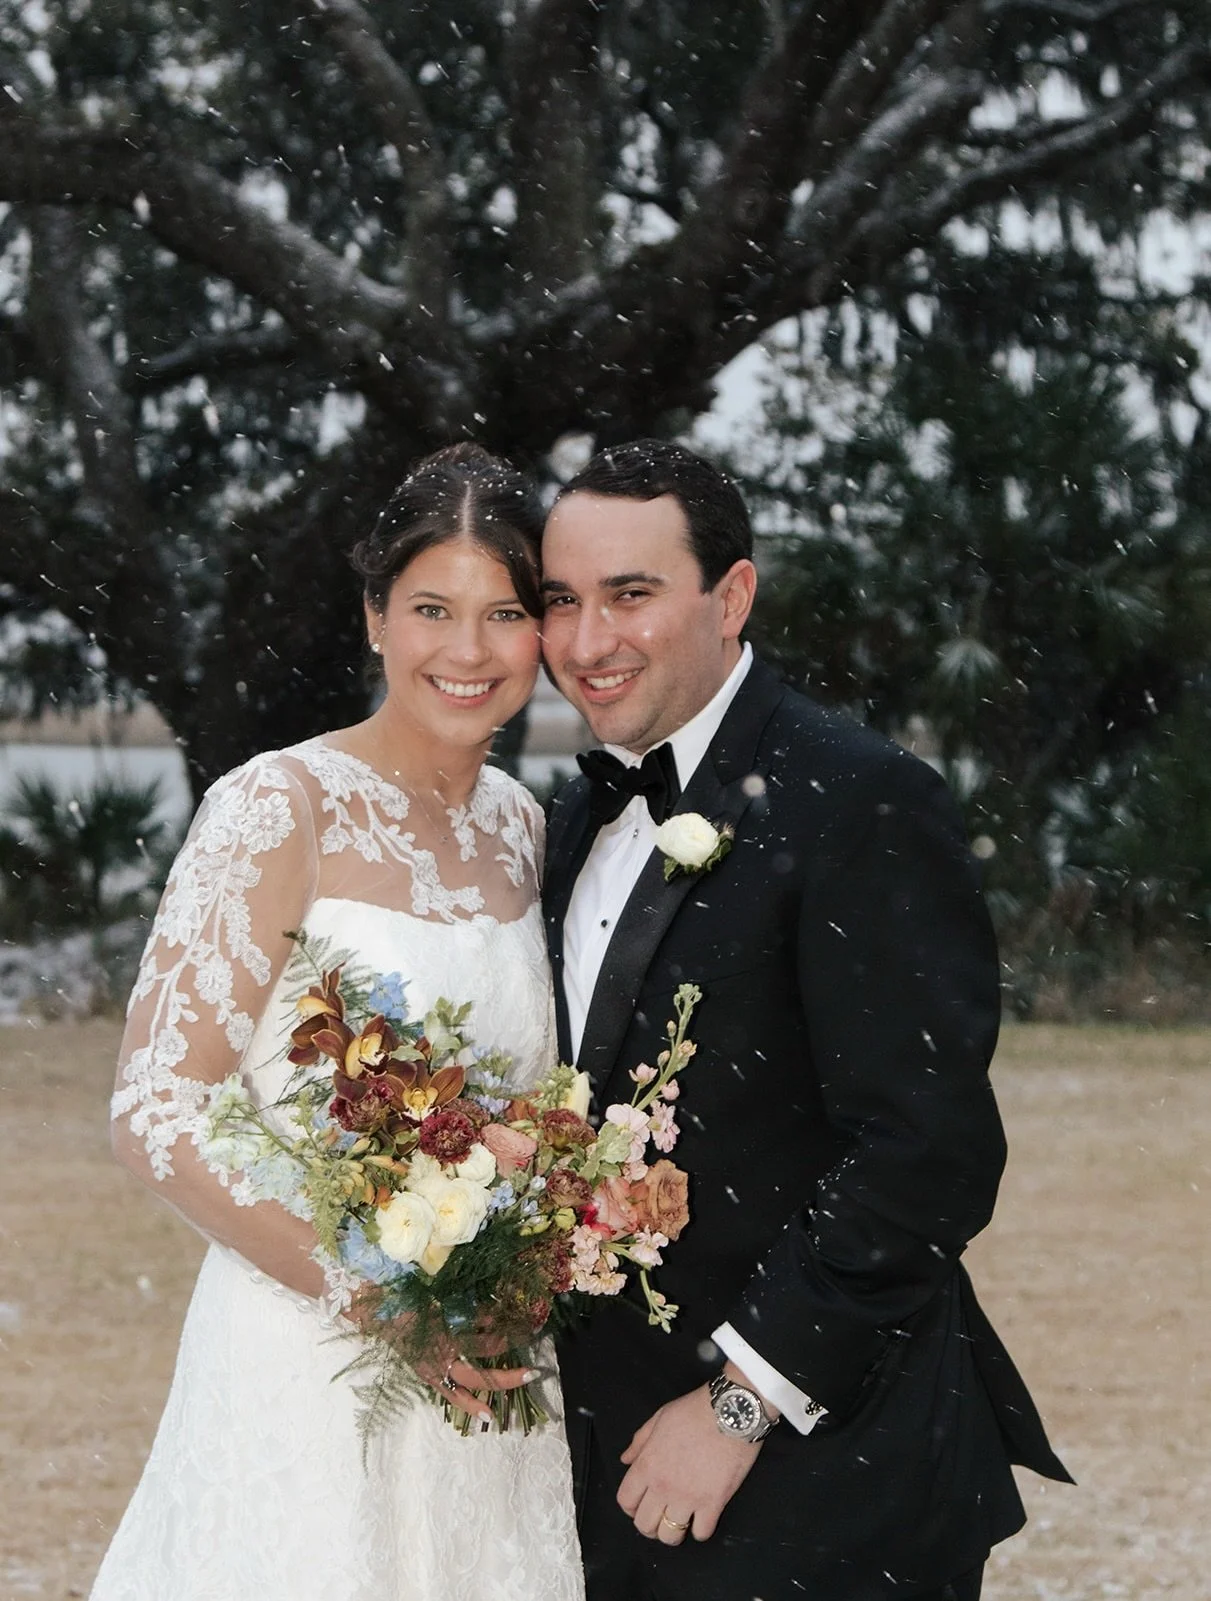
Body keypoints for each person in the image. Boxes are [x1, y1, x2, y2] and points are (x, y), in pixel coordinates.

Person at [539, 439, 1071, 1601]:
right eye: (560, 601)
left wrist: (739, 1400)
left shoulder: (860, 798)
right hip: (607, 1462)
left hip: (828, 1474)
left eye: (630, 594)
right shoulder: (573, 816)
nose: (586, 642)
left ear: (730, 596)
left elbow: (923, 1153)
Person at [94, 444, 584, 1601]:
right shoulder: (278, 805)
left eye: (503, 612)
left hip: (492, 1386)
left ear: (541, 634)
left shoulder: (526, 827)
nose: (466, 651)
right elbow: (157, 1104)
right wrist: (376, 1293)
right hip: (305, 1366)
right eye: (429, 608)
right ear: (373, 617)